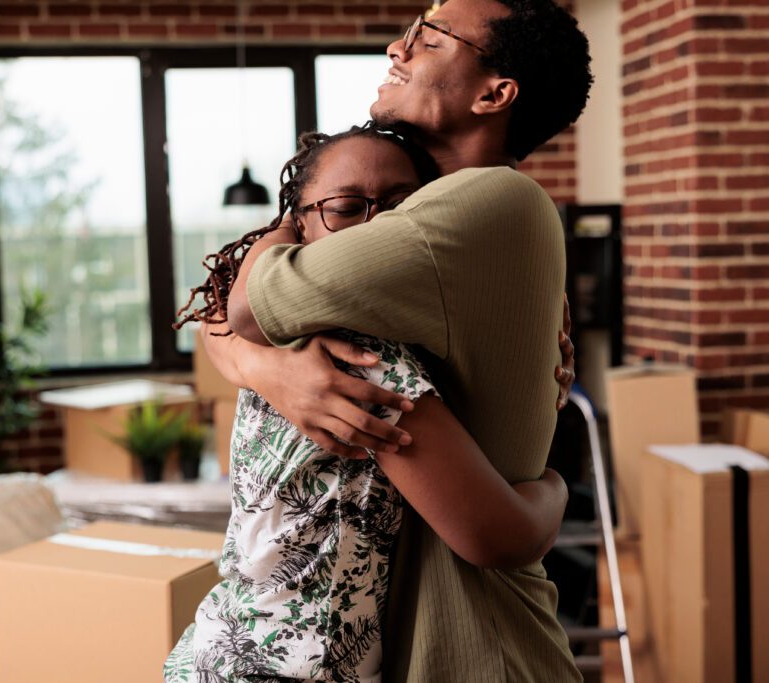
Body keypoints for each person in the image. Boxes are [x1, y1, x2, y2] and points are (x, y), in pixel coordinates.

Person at [213, 1, 594, 680]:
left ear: (495, 92)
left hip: (481, 646)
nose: (397, 46)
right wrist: (274, 372)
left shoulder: (487, 203)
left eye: (428, 37)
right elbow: (223, 313)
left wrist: (555, 490)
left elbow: (245, 300)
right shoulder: (440, 217)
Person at [164, 123, 570, 683]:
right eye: (347, 208)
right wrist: (554, 484)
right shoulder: (364, 358)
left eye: (400, 208)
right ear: (299, 226)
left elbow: (222, 320)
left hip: (219, 650)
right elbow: (495, 536)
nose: (374, 228)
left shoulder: (278, 339)